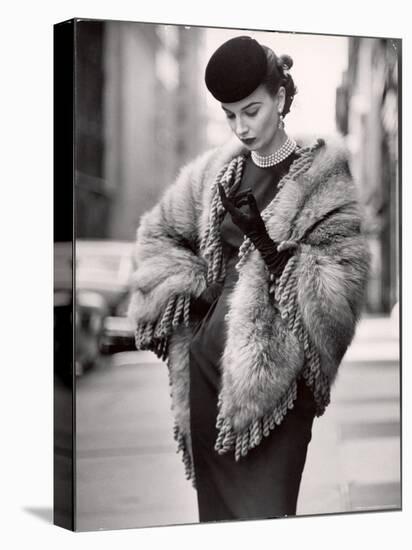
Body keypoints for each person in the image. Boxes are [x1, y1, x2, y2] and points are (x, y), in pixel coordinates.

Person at [128, 35, 370, 522]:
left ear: (280, 99)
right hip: (206, 375)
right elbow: (155, 237)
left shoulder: (324, 177)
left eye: (252, 110)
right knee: (218, 523)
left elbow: (342, 292)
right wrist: (193, 301)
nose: (241, 127)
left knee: (269, 516)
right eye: (230, 114)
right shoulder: (216, 174)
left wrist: (264, 241)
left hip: (277, 390)